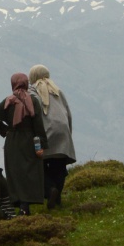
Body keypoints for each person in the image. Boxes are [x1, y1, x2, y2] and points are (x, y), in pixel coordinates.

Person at [0, 72, 47, 213]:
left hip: (12, 141)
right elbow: (38, 125)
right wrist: (41, 144)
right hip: (29, 141)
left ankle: (18, 203)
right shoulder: (33, 101)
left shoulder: (8, 101)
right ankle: (27, 204)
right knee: (30, 171)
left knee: (15, 172)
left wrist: (6, 131)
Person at [29, 64, 76, 209]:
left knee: (38, 166)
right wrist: (68, 133)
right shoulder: (57, 90)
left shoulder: (32, 91)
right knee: (59, 166)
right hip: (63, 131)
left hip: (46, 131)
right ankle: (57, 200)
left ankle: (50, 190)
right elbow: (68, 112)